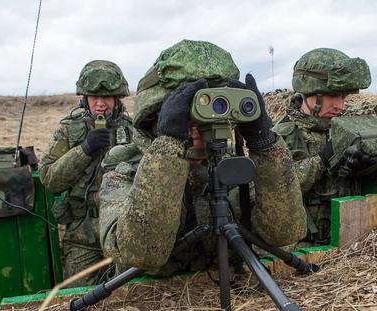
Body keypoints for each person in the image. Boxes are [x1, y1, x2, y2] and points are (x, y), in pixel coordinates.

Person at [98, 40, 306, 275]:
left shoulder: (231, 166)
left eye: (208, 121)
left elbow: (285, 232)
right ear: (156, 118)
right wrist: (168, 147)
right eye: (188, 120)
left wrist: (264, 144)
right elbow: (142, 254)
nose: (199, 131)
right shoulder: (124, 169)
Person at [273, 48, 377, 244]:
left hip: (356, 240)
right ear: (309, 92)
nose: (340, 106)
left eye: (344, 97)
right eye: (333, 96)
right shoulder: (278, 136)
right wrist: (322, 160)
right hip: (299, 248)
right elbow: (269, 190)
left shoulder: (354, 128)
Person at [39, 60, 138, 283]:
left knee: (132, 293)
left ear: (118, 98)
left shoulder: (133, 130)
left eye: (106, 98)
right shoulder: (69, 129)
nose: (100, 104)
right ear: (84, 99)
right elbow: (49, 179)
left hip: (122, 232)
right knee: (77, 297)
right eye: (94, 97)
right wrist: (84, 150)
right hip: (82, 237)